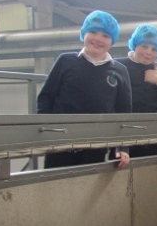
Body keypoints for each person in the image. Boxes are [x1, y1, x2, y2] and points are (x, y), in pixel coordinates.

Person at [37, 10, 132, 169]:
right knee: (56, 187)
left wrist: (122, 147)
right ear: (83, 33)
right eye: (93, 32)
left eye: (106, 36)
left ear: (112, 41)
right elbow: (46, 98)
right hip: (60, 143)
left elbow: (124, 112)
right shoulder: (66, 61)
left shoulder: (120, 71)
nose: (98, 39)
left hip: (96, 144)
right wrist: (45, 133)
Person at [116, 24, 157, 158]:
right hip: (125, 134)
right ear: (135, 45)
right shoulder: (118, 66)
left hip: (155, 135)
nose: (149, 52)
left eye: (154, 49)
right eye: (144, 46)